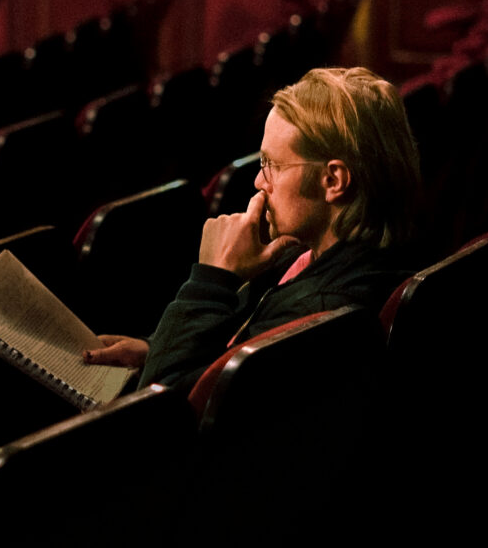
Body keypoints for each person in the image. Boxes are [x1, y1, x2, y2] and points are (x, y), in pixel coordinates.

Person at [83, 65, 423, 393]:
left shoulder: (316, 315)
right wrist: (155, 349)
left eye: (272, 164)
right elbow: (230, 347)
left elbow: (164, 410)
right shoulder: (318, 252)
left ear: (333, 180)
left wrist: (210, 281)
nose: (259, 181)